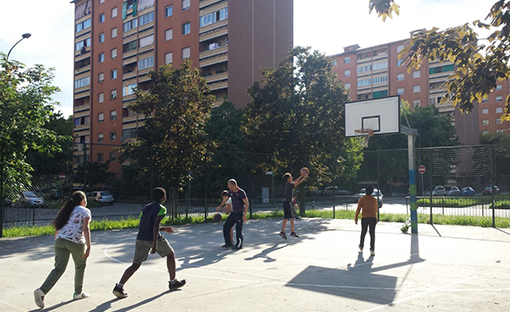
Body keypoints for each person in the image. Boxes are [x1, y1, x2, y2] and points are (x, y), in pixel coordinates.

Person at [113, 187, 186, 299]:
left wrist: (164, 228)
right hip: (152, 238)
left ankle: (119, 286)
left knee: (135, 264)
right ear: (163, 198)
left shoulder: (145, 208)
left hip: (140, 238)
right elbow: (155, 225)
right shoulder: (161, 208)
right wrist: (154, 245)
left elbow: (146, 225)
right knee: (170, 254)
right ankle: (173, 282)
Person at [33, 191, 92, 309]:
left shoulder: (67, 209)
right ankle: (78, 293)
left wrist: (58, 241)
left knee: (59, 268)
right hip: (75, 241)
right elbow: (85, 228)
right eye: (85, 199)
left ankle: (42, 291)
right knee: (80, 266)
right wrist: (89, 246)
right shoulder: (85, 211)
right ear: (82, 201)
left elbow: (57, 227)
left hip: (60, 240)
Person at [216, 179, 249, 250]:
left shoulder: (241, 192)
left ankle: (239, 244)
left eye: (228, 185)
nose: (228, 186)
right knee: (226, 226)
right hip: (233, 213)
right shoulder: (230, 192)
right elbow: (225, 199)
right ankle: (228, 243)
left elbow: (246, 204)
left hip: (240, 214)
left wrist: (244, 215)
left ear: (232, 185)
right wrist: (220, 206)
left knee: (238, 230)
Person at [280, 172, 307, 239]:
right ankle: (286, 232)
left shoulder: (289, 184)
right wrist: (304, 177)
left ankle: (290, 232)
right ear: (288, 179)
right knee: (288, 218)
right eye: (290, 177)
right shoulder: (289, 184)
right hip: (287, 203)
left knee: (290, 218)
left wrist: (301, 175)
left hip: (288, 203)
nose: (292, 178)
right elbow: (298, 182)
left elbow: (295, 181)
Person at [355, 185, 378, 256]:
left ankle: (361, 246)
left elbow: (358, 209)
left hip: (365, 217)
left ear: (365, 191)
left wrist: (356, 217)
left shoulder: (362, 199)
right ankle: (372, 249)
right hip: (373, 217)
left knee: (363, 232)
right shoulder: (374, 200)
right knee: (372, 233)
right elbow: (376, 210)